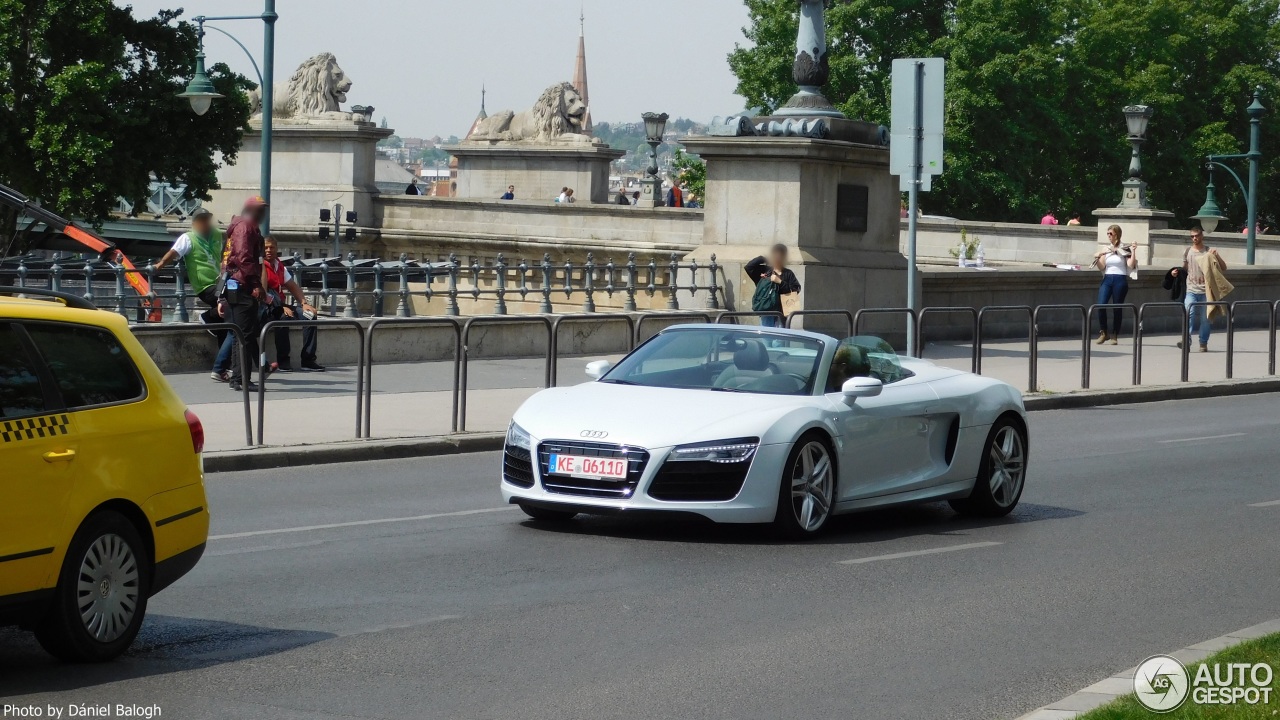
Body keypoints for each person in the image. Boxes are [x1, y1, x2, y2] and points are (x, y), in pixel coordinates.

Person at [154, 209, 235, 382]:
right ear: (194, 223)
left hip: (219, 281)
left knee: (226, 323)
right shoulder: (188, 238)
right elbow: (175, 252)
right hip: (205, 285)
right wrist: (160, 264)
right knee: (232, 308)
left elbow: (223, 256)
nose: (204, 223)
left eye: (206, 219)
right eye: (201, 220)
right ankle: (210, 317)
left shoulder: (217, 235)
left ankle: (223, 367)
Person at [223, 196, 269, 392]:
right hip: (243, 285)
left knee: (239, 334)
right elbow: (244, 257)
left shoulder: (240, 226)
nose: (262, 213)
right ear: (250, 210)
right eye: (259, 209)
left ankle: (238, 377)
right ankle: (242, 378)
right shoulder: (246, 227)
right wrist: (255, 284)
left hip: (235, 284)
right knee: (246, 335)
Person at [261, 237, 324, 372]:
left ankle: (308, 360)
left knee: (309, 315)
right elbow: (263, 294)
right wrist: (281, 307)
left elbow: (292, 286)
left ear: (276, 249)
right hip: (268, 308)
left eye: (271, 247)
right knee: (283, 318)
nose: (268, 250)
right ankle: (283, 361)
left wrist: (304, 303)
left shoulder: (279, 265)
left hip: (280, 304)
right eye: (265, 247)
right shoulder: (259, 266)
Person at [1180, 227, 1227, 352]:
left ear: (1202, 236)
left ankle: (1203, 342)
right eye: (1192, 236)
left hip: (1206, 291)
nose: (1194, 238)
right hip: (1191, 289)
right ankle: (1186, 340)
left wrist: (1217, 255)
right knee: (1188, 313)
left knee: (1205, 319)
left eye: (1197, 236)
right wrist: (1175, 272)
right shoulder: (1187, 251)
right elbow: (1184, 269)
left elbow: (1223, 267)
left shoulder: (1208, 252)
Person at [1090, 225, 1137, 345]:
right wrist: (1098, 257)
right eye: (1108, 234)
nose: (1109, 236)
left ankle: (1114, 334)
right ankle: (1104, 332)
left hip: (1120, 278)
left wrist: (1134, 251)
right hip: (1107, 278)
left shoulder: (1124, 248)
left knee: (1117, 307)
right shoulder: (1106, 248)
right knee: (1100, 304)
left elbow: (1131, 265)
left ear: (1117, 234)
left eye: (1110, 233)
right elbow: (1102, 266)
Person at [745, 244, 800, 328]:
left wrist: (780, 282)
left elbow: (795, 291)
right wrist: (764, 258)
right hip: (766, 313)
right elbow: (749, 267)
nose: (778, 258)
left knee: (779, 340)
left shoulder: (788, 274)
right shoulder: (765, 271)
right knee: (766, 339)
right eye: (775, 255)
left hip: (781, 314)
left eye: (780, 255)